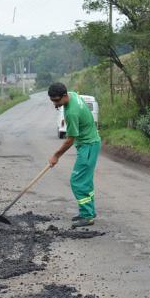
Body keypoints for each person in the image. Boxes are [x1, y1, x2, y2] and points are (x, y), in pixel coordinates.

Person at [47, 82, 101, 228]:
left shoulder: (71, 113)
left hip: (88, 146)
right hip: (91, 143)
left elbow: (70, 140)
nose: (55, 104)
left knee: (77, 181)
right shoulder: (72, 94)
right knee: (86, 181)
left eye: (57, 101)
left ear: (64, 96)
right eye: (53, 101)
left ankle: (87, 215)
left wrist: (56, 155)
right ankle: (89, 211)